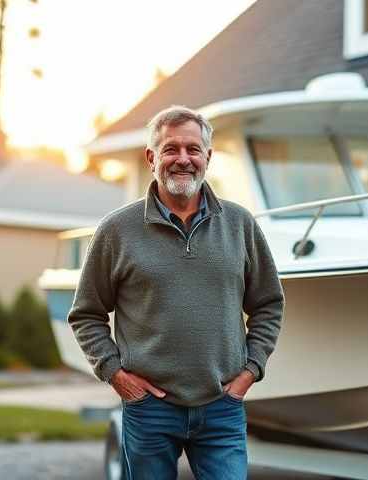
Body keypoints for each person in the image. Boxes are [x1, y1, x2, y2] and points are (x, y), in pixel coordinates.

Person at [67, 105, 284, 479]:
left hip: (222, 407)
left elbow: (268, 304)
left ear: (207, 158)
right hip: (149, 409)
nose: (182, 159)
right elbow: (86, 314)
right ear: (152, 158)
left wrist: (250, 371)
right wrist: (117, 375)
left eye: (192, 149)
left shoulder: (240, 225)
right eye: (171, 149)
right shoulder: (117, 230)